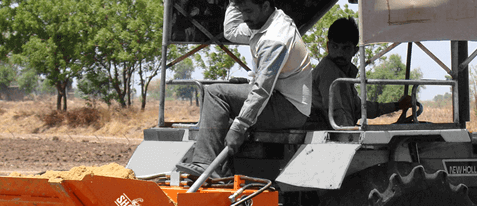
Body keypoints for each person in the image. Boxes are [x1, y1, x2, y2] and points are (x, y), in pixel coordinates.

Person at [176, 0, 312, 178]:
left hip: (289, 109)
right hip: (277, 99)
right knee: (221, 108)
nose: (244, 17)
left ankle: (204, 163)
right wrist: (234, 2)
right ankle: (222, 175)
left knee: (216, 93)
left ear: (265, 6)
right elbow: (231, 31)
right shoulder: (262, 22)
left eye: (248, 11)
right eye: (241, 11)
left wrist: (239, 127)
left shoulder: (276, 38)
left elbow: (262, 90)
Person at [310, 17, 412, 128]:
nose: (339, 53)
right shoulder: (328, 70)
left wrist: (397, 106)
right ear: (328, 46)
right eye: (335, 46)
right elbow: (337, 114)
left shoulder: (343, 75)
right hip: (329, 134)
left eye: (346, 48)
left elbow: (360, 108)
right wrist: (350, 134)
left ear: (355, 50)